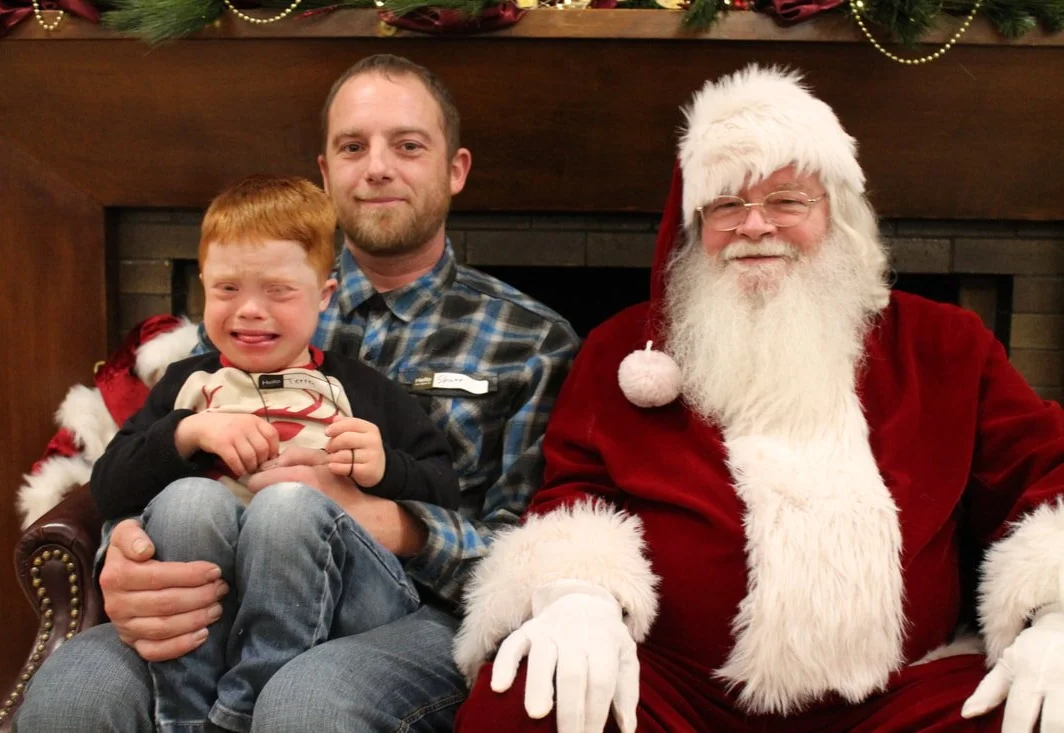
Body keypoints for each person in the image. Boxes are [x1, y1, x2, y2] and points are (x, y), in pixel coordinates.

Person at [452, 65, 1064, 733]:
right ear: (695, 227)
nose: (755, 225)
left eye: (787, 200)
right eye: (725, 205)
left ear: (836, 213)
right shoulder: (626, 349)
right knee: (525, 701)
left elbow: (1044, 472)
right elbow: (573, 490)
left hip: (904, 695)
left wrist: (1056, 615)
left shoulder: (945, 343)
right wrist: (577, 597)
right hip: (679, 691)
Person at [14, 54, 580, 732]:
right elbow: (152, 455)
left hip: (416, 612)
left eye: (407, 145)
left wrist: (387, 521)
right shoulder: (257, 306)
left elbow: (536, 547)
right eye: (352, 146)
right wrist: (124, 558)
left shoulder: (533, 339)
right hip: (223, 586)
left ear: (454, 168)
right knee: (73, 692)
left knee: (305, 702)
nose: (376, 167)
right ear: (325, 172)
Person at [86, 173, 460, 732]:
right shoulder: (188, 385)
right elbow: (107, 486)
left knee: (286, 506)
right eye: (227, 289)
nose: (249, 311)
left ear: (324, 295)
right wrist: (186, 433)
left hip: (336, 601)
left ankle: (243, 713)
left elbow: (444, 486)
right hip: (213, 594)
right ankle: (188, 718)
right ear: (204, 288)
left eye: (279, 291)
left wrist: (383, 468)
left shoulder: (358, 386)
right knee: (190, 501)